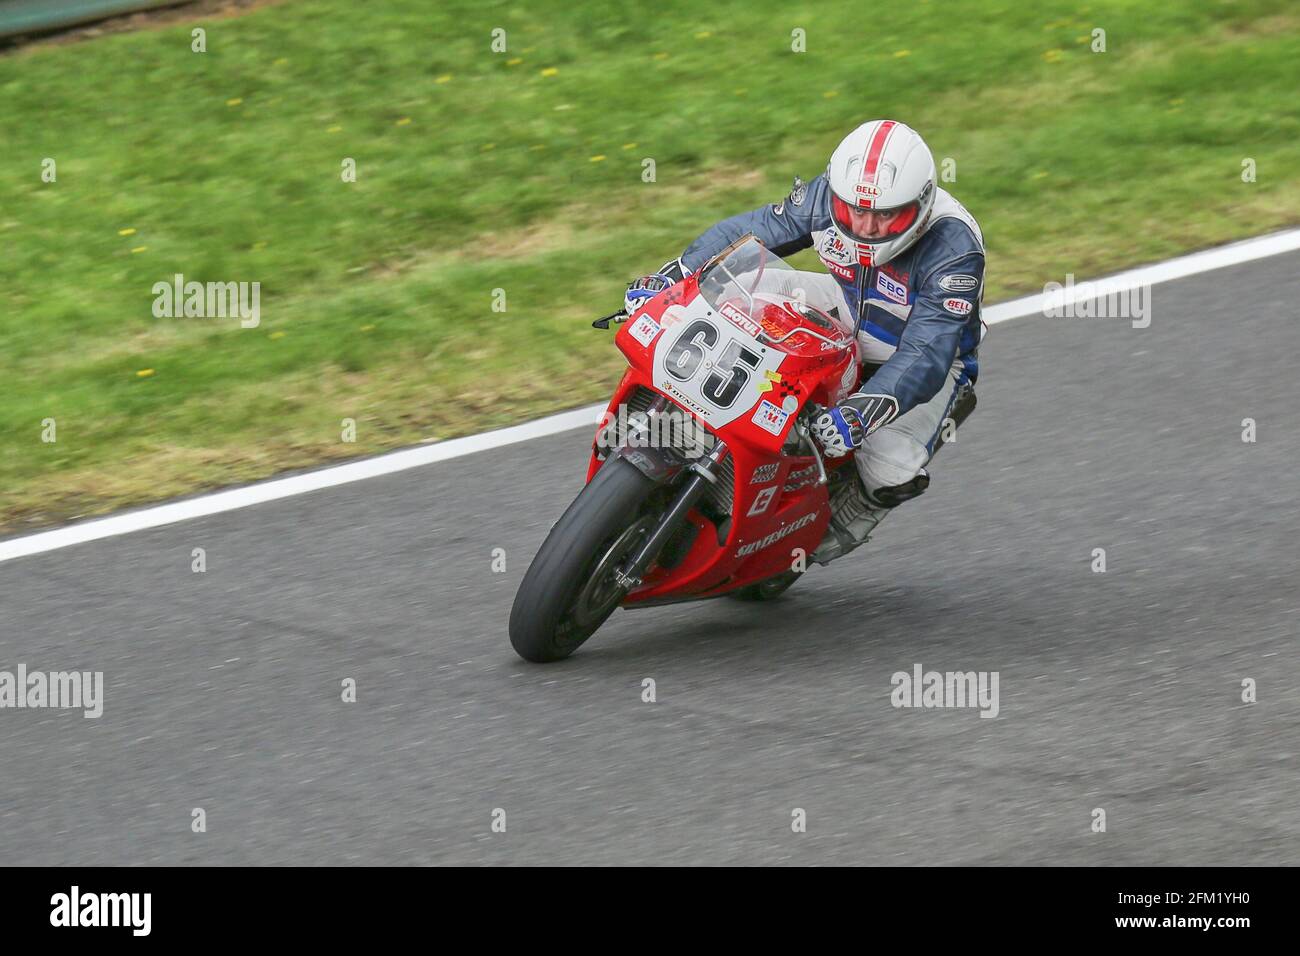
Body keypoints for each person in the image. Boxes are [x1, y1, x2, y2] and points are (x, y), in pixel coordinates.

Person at [624, 119, 985, 563]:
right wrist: (672, 277)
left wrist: (861, 413)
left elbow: (928, 352)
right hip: (845, 305)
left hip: (915, 350)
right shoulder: (827, 196)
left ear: (922, 203)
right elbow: (753, 231)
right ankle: (672, 407)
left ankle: (850, 512)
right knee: (730, 291)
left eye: (887, 214)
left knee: (891, 466)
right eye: (856, 211)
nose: (868, 227)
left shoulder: (955, 249)